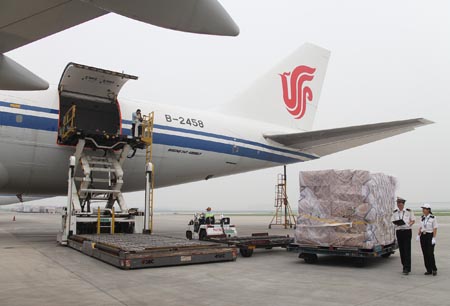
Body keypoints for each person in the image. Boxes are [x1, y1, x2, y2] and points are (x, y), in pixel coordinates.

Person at [391, 197, 415, 275]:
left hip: (407, 231)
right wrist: (396, 223)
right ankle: (404, 266)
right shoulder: (395, 212)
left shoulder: (408, 211)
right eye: (398, 204)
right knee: (401, 249)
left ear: (403, 204)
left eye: (400, 204)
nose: (399, 205)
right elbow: (392, 221)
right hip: (399, 231)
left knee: (407, 249)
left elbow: (413, 220)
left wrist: (409, 224)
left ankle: (407, 268)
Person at [417, 203, 438, 276]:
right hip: (423, 236)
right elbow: (420, 227)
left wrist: (434, 238)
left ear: (428, 210)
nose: (423, 210)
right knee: (425, 253)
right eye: (423, 209)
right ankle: (428, 269)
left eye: (424, 209)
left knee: (430, 253)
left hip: (430, 235)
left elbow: (435, 228)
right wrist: (418, 234)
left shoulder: (433, 217)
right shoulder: (422, 217)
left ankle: (434, 269)